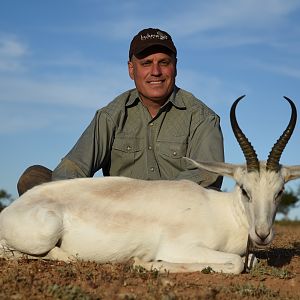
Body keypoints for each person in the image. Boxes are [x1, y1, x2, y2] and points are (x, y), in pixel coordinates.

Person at [17, 28, 224, 196]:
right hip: (120, 216)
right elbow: (74, 167)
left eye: (164, 62)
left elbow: (207, 176)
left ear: (175, 67)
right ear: (131, 70)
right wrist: (63, 194)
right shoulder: (111, 115)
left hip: (175, 217)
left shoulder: (203, 118)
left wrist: (154, 201)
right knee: (34, 177)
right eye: (146, 63)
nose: (156, 72)